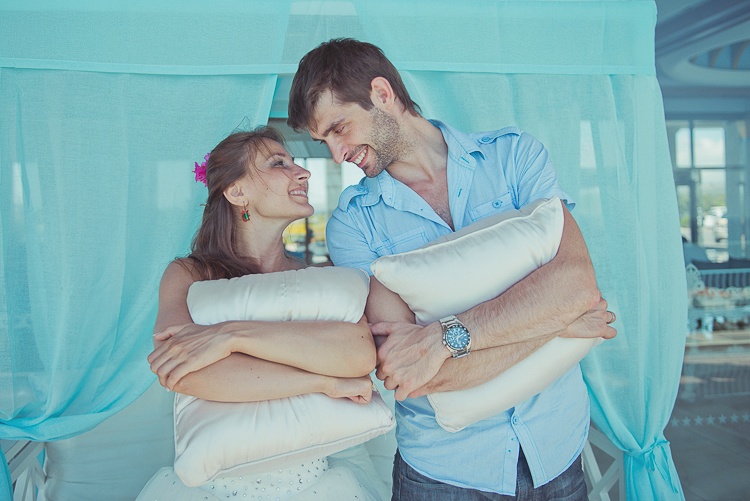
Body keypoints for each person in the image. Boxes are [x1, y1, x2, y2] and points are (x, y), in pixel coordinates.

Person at [287, 38, 618, 500]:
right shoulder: (353, 224)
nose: (337, 154)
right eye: (324, 142)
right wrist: (560, 325)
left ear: (382, 94)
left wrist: (443, 340)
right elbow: (410, 372)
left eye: (338, 129)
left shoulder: (515, 157)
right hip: (445, 476)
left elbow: (577, 287)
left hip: (557, 451)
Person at [143, 126, 386, 500]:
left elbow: (358, 354)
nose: (302, 173)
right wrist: (324, 382)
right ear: (237, 192)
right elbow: (181, 373)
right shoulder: (188, 275)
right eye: (279, 164)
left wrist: (229, 337)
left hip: (314, 486)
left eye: (294, 163)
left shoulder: (320, 277)